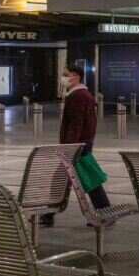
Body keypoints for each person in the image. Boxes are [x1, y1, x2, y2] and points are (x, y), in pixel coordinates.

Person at [41, 65, 110, 227]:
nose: (63, 78)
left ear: (77, 76)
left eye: (67, 75)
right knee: (84, 180)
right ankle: (105, 212)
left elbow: (76, 124)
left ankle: (105, 213)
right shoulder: (82, 95)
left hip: (76, 147)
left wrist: (70, 147)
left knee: (68, 180)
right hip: (81, 145)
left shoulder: (78, 96)